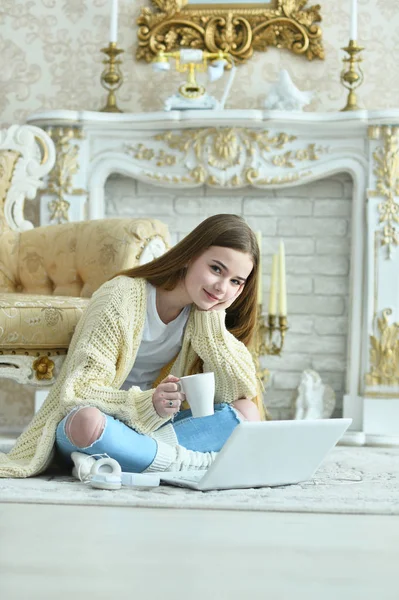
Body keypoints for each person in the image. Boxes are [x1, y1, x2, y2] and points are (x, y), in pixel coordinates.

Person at [0, 214, 264, 478]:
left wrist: (211, 320)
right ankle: (179, 463)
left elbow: (235, 395)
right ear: (189, 256)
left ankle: (138, 459)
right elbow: (78, 391)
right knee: (87, 422)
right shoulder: (121, 297)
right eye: (216, 269)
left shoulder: (200, 316)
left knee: (246, 413)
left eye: (235, 282)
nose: (221, 287)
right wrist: (148, 404)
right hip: (102, 423)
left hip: (153, 430)